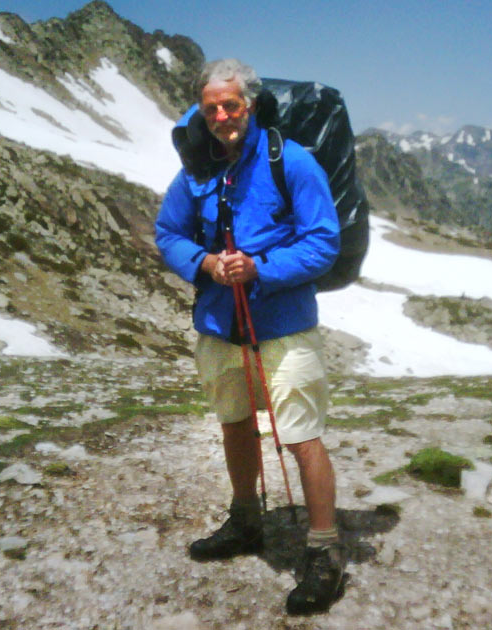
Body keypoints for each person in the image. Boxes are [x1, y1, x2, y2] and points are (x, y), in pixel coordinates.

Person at [155, 58, 346, 615]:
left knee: (301, 434)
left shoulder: (294, 161)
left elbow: (322, 242)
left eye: (230, 105)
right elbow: (167, 231)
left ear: (251, 105)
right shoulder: (196, 167)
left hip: (283, 324)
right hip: (220, 322)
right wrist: (205, 261)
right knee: (234, 422)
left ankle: (324, 551)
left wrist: (260, 268)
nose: (221, 116)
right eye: (211, 107)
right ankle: (245, 521)